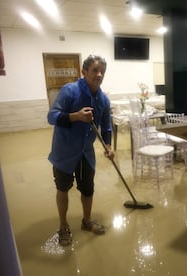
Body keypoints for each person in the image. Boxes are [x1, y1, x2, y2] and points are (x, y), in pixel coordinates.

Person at [47, 54, 114, 246]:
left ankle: (86, 221)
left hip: (86, 152)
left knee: (87, 189)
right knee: (63, 188)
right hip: (64, 152)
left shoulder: (103, 100)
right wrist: (75, 116)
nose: (99, 74)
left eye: (102, 71)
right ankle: (63, 225)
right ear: (84, 72)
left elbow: (106, 127)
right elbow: (51, 117)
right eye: (94, 70)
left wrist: (108, 147)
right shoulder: (71, 91)